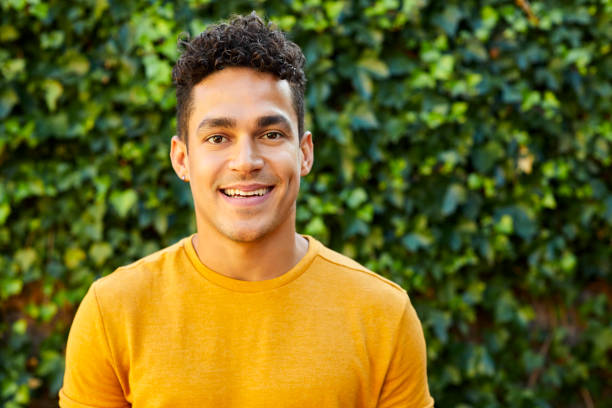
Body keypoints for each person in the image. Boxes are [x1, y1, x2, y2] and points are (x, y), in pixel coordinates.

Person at [60, 12, 434, 408]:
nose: (245, 161)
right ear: (182, 158)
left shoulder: (383, 316)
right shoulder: (114, 313)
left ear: (304, 153)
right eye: (218, 137)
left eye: (270, 134)